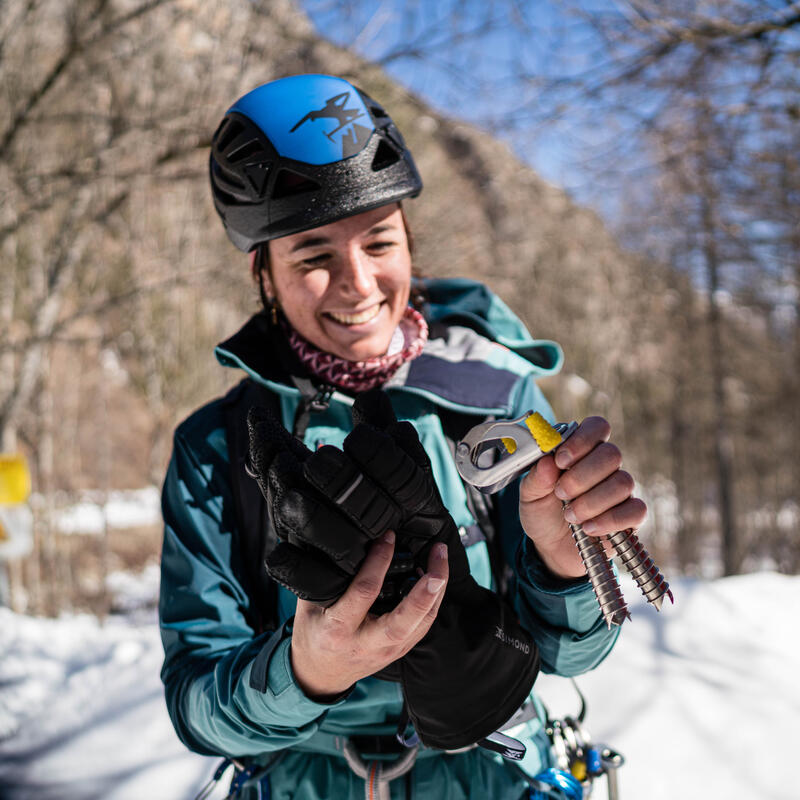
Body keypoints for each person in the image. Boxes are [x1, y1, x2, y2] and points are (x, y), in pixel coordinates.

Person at [159, 73, 647, 800]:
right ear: (264, 274)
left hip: (497, 771)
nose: (358, 285)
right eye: (314, 257)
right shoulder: (219, 449)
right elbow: (196, 701)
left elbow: (569, 653)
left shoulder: (497, 398)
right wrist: (306, 674)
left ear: (409, 239)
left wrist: (566, 565)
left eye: (379, 242)